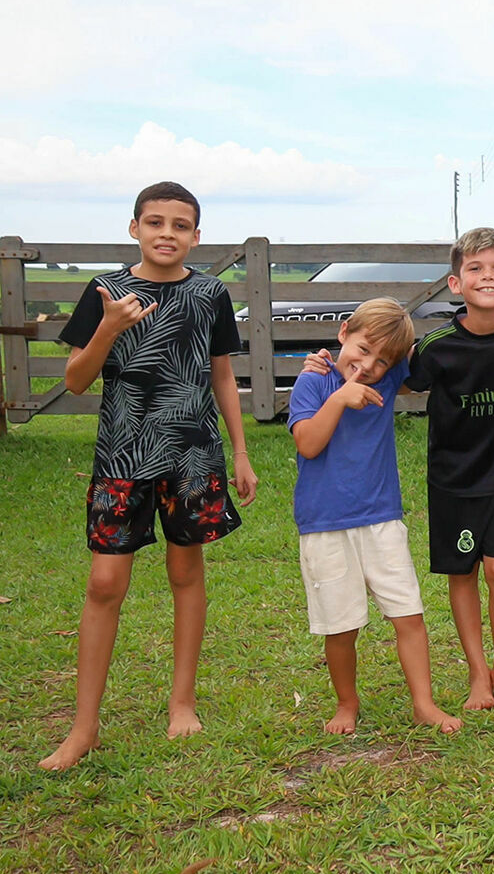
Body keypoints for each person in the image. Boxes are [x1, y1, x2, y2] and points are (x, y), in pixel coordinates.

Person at [40, 181, 259, 771]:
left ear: (196, 235)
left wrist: (239, 451)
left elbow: (220, 376)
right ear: (134, 227)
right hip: (123, 456)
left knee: (186, 571)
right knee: (105, 585)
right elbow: (78, 379)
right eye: (156, 222)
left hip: (192, 454)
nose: (168, 233)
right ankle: (83, 727)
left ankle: (181, 701)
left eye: (180, 225)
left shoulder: (211, 294)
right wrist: (110, 326)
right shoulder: (105, 291)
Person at [289, 299, 462, 737]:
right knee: (341, 626)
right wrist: (340, 398)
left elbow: (426, 352)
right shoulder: (312, 382)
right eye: (363, 349)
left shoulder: (388, 380)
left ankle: (423, 704)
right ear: (344, 332)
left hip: (382, 518)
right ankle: (347, 703)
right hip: (324, 525)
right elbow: (307, 444)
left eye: (382, 360)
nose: (367, 366)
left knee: (408, 614)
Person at [409, 228, 494, 710]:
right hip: (452, 480)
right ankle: (477, 675)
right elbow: (392, 377)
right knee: (462, 573)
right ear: (455, 283)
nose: (488, 276)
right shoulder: (437, 346)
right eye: (476, 268)